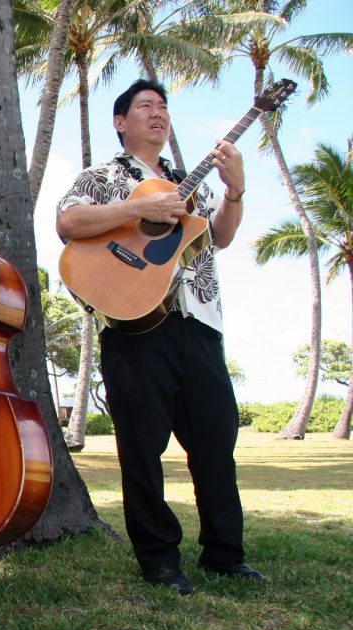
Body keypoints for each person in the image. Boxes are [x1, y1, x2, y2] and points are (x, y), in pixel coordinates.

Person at [56, 79, 265, 595]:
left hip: (200, 324)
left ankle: (225, 553)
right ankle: (159, 560)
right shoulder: (103, 176)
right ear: (120, 122)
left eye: (163, 107)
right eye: (145, 106)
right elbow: (69, 222)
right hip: (135, 325)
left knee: (217, 444)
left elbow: (221, 235)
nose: (157, 113)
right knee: (141, 451)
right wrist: (138, 211)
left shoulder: (187, 181)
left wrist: (235, 188)